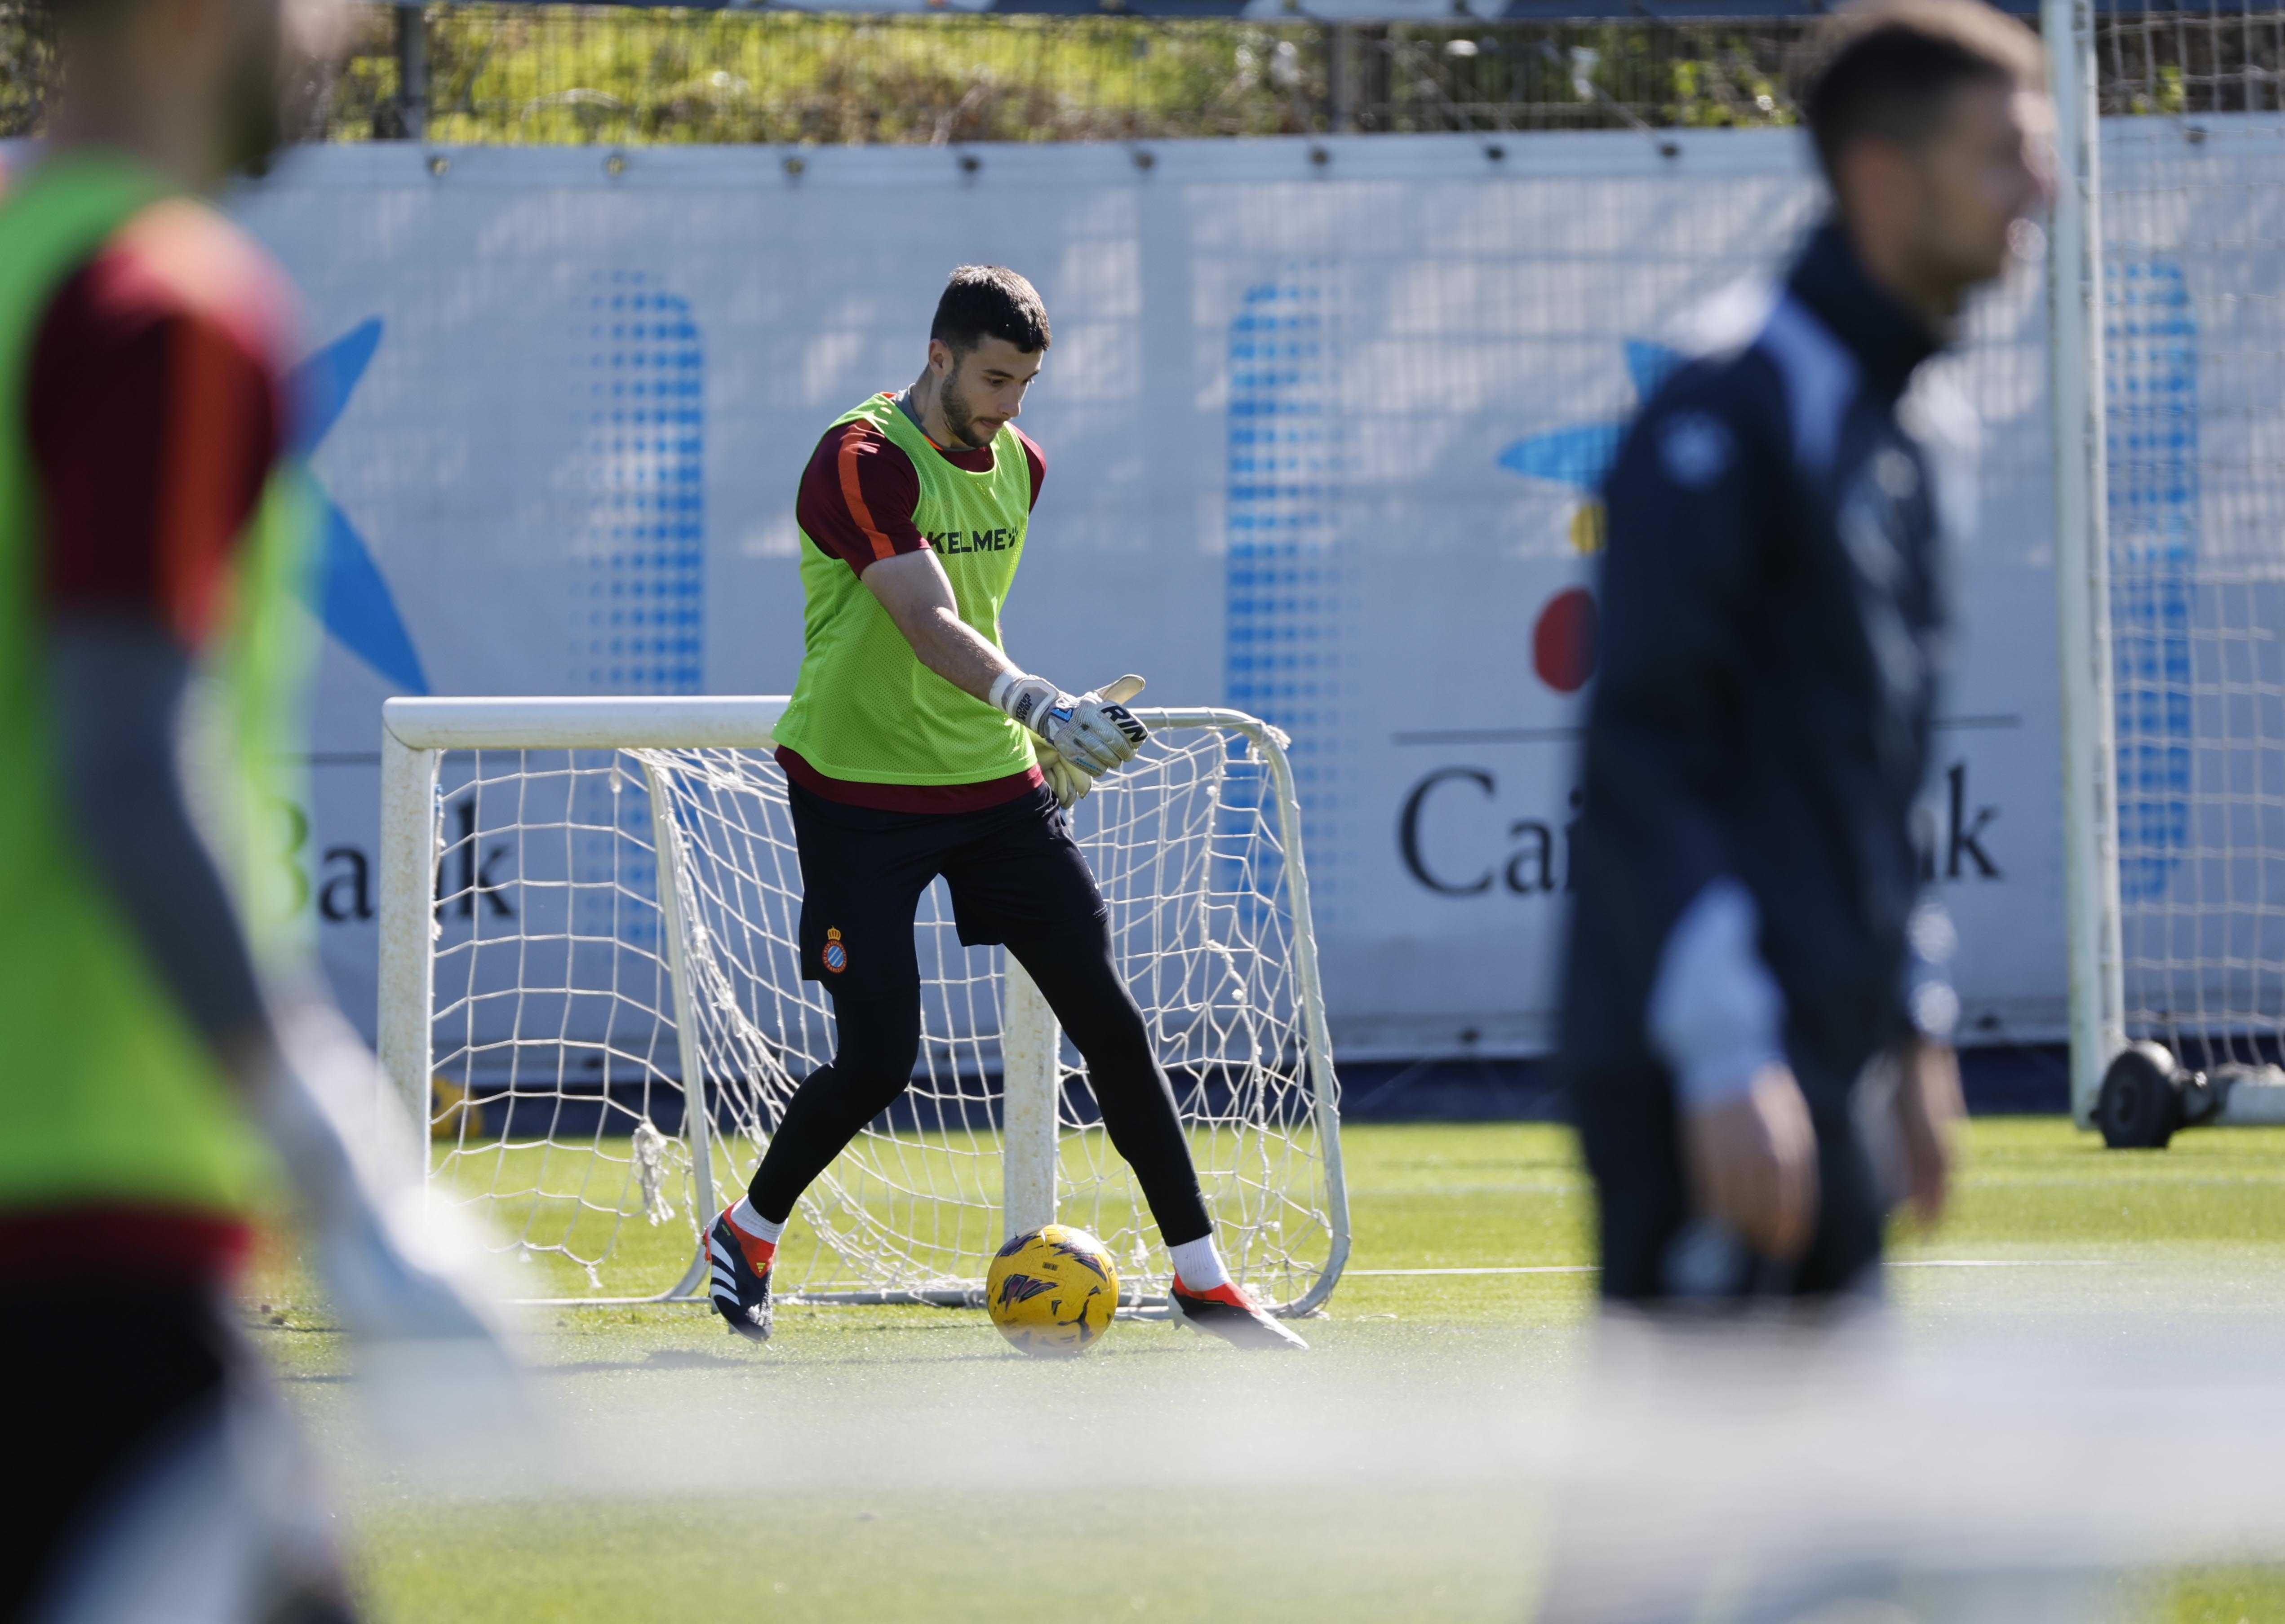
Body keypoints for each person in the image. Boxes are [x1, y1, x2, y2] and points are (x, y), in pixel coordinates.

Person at [0, 0, 505, 1617]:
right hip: (81, 1236)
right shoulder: (161, 306)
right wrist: (340, 1155)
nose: (341, 31)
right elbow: (124, 770)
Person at [705, 265, 1303, 1351]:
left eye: (1025, 382)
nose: (1010, 404)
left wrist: (1033, 739)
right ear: (937, 356)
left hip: (992, 788)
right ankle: (749, 1230)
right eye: (992, 378)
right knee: (878, 1060)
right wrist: (1040, 704)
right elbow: (924, 616)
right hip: (857, 793)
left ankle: (1204, 1279)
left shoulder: (1022, 464)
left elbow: (972, 618)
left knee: (1110, 1024)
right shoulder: (859, 458)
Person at [1559, 0, 2050, 1308]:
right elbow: (1648, 754)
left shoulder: (1919, 421)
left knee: (1832, 1441)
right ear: (1881, 177)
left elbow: (1873, 776)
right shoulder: (1734, 399)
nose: (2040, 189)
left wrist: (1910, 1022)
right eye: (2001, 155)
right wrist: (1725, 1054)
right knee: (1694, 1449)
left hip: (1832, 1050)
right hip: (1702, 1067)